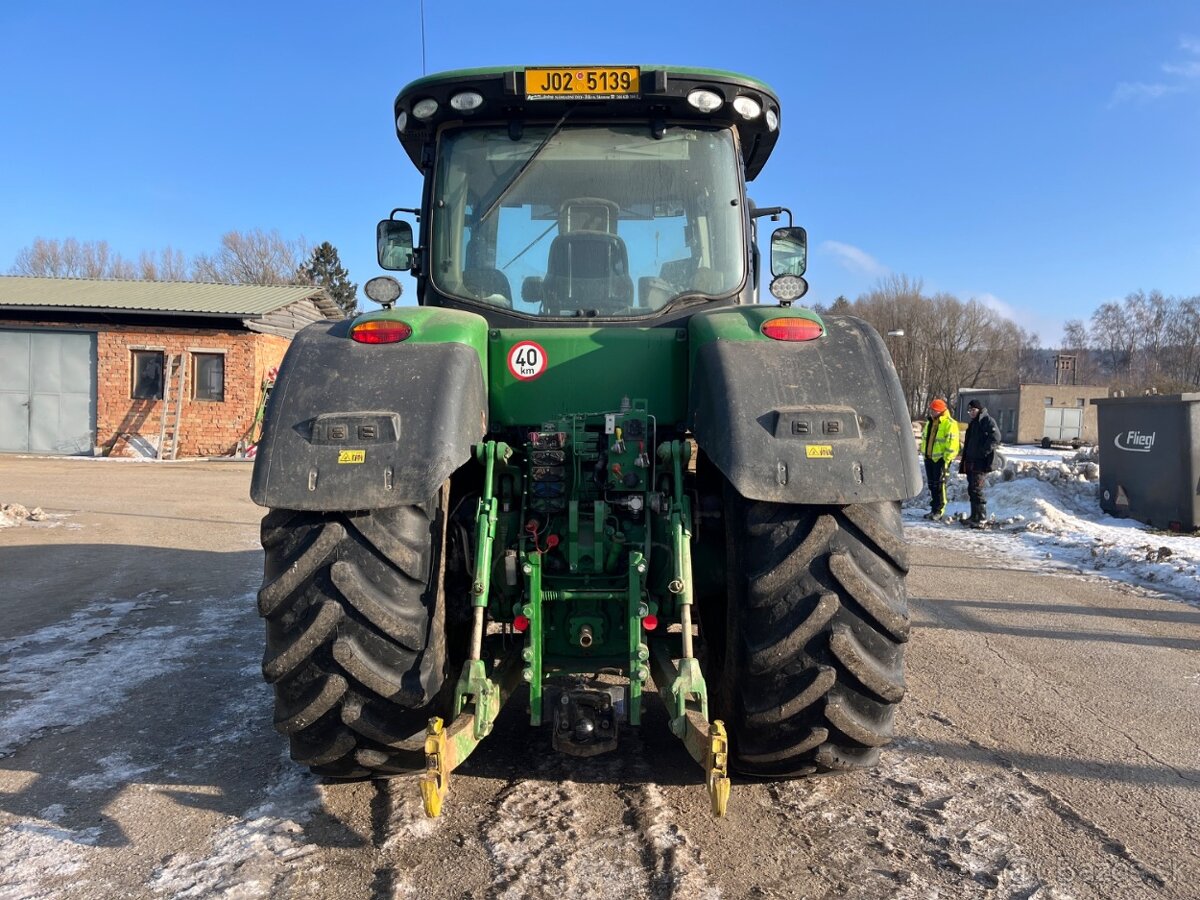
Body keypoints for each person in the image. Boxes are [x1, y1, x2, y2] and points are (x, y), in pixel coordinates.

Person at [960, 399, 1002, 526]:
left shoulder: (987, 420)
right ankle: (974, 516)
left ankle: (982, 517)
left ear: (979, 409)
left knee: (977, 489)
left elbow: (996, 437)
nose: (971, 412)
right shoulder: (973, 423)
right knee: (971, 488)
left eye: (973, 410)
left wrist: (984, 451)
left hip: (981, 462)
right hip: (971, 460)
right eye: (969, 410)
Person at [920, 398, 959, 520]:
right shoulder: (930, 422)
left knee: (939, 485)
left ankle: (939, 510)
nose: (932, 412)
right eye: (931, 410)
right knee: (932, 485)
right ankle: (933, 509)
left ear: (941, 411)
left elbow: (952, 443)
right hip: (929, 458)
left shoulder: (949, 423)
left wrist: (946, 459)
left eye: (934, 410)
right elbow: (926, 439)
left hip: (941, 459)